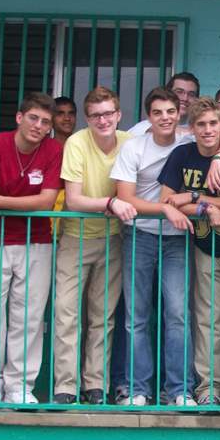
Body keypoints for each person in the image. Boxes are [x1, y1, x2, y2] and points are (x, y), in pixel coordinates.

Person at [0, 91, 63, 405]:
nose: (39, 126)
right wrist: (1, 202)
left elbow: (46, 201)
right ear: (19, 117)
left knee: (29, 318)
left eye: (45, 122)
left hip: (37, 242)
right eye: (33, 118)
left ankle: (20, 385)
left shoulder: (53, 149)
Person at [158, 97, 220, 406]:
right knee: (208, 322)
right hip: (204, 248)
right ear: (192, 129)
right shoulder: (182, 154)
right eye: (201, 124)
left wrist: (193, 197)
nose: (208, 130)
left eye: (212, 123)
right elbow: (167, 201)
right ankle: (209, 387)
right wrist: (206, 207)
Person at [112, 87, 197, 406]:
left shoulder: (189, 144)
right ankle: (137, 389)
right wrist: (164, 208)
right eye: (158, 112)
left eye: (171, 111)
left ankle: (180, 390)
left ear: (179, 113)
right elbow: (125, 198)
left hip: (178, 240)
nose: (165, 118)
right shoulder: (134, 147)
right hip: (140, 235)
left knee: (177, 314)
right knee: (136, 316)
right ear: (148, 117)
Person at [51, 86, 135, 405]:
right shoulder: (76, 143)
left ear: (118, 115)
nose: (103, 120)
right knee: (66, 313)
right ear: (87, 119)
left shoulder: (129, 141)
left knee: (103, 316)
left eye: (108, 113)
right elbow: (73, 201)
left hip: (113, 238)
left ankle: (95, 384)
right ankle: (65, 386)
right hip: (75, 237)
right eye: (96, 115)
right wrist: (111, 203)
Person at [128, 71, 200, 135]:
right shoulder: (141, 128)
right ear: (168, 93)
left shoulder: (201, 130)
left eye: (191, 94)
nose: (185, 98)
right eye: (179, 92)